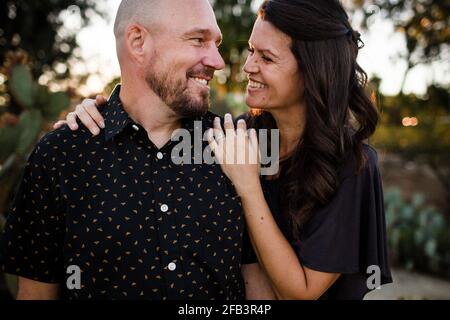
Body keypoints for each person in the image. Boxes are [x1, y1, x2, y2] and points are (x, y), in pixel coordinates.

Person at [61, 0, 393, 300]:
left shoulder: (352, 165)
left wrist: (248, 186)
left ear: (313, 70)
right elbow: (151, 124)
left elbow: (301, 293)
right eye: (251, 50)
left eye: (266, 57)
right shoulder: (236, 135)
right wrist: (97, 117)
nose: (248, 66)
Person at [0, 0, 276, 300]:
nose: (217, 61)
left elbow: (256, 287)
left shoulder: (236, 148)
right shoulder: (61, 155)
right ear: (138, 41)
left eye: (215, 43)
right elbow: (36, 294)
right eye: (198, 40)